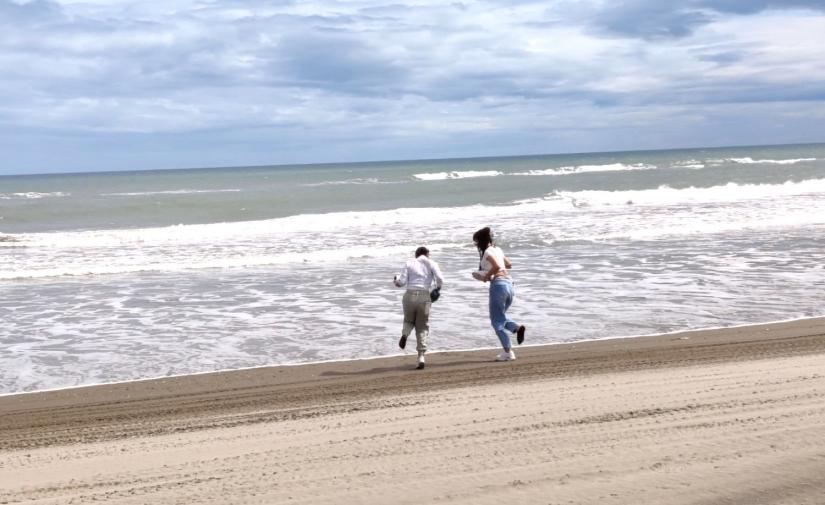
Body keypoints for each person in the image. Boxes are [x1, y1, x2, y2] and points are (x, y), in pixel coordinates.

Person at [472, 226, 525, 361]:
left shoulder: (487, 252)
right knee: (500, 316)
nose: (475, 245)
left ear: (481, 241)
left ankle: (508, 352)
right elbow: (508, 264)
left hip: (499, 285)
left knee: (496, 321)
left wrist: (486, 276)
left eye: (476, 242)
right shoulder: (497, 249)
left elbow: (495, 267)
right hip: (510, 284)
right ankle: (516, 328)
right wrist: (492, 270)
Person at [393, 246, 444, 369]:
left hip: (409, 297)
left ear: (416, 254)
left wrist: (395, 279)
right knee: (422, 326)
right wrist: (437, 289)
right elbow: (440, 279)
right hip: (425, 298)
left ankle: (405, 334)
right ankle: (421, 357)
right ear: (427, 254)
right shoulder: (432, 263)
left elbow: (401, 282)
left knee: (408, 320)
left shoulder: (409, 263)